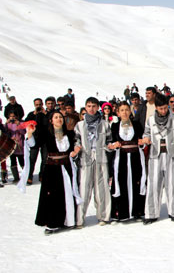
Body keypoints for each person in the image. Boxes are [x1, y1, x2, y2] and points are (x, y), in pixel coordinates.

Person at [23, 111, 82, 235]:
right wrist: (29, 134)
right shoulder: (46, 133)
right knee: (53, 196)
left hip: (67, 167)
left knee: (67, 193)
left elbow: (74, 148)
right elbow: (34, 145)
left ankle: (68, 221)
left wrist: (75, 152)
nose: (59, 119)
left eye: (60, 117)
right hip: (52, 169)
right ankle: (53, 223)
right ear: (51, 121)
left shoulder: (69, 133)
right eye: (56, 117)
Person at [141, 93, 174, 224]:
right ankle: (151, 213)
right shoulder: (150, 120)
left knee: (172, 183)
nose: (163, 111)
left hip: (171, 154)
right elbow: (146, 133)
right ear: (156, 107)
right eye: (160, 108)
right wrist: (146, 139)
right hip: (155, 155)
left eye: (165, 108)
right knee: (154, 184)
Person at [72, 97, 113, 228]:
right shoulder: (79, 125)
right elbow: (76, 140)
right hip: (86, 158)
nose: (91, 109)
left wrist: (110, 146)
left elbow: (108, 141)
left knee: (102, 189)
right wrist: (76, 149)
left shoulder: (105, 124)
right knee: (84, 189)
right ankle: (79, 219)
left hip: (101, 158)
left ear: (98, 108)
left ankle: (104, 215)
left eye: (94, 106)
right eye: (89, 106)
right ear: (85, 107)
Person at [109, 102, 146, 222]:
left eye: (127, 110)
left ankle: (137, 212)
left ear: (130, 112)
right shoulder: (114, 126)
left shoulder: (136, 125)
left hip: (135, 157)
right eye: (122, 110)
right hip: (121, 158)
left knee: (137, 182)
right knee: (121, 182)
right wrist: (113, 145)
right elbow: (110, 142)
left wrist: (142, 142)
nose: (124, 112)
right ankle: (121, 213)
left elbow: (142, 139)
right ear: (118, 113)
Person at [24, 98, 48, 185]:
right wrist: (34, 114)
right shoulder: (31, 114)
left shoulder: (46, 114)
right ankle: (29, 175)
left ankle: (42, 175)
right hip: (35, 139)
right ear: (34, 105)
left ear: (42, 105)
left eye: (39, 105)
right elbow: (26, 122)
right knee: (32, 158)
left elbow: (49, 122)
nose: (38, 106)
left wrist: (45, 113)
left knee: (45, 159)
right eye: (36, 105)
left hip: (45, 139)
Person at [5, 112, 25, 183]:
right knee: (13, 161)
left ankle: (25, 175)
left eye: (14, 116)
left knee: (21, 161)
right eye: (11, 117)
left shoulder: (20, 123)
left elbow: (23, 132)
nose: (12, 118)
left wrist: (18, 125)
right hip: (12, 146)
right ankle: (16, 177)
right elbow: (5, 133)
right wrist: (6, 124)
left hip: (19, 145)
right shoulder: (8, 124)